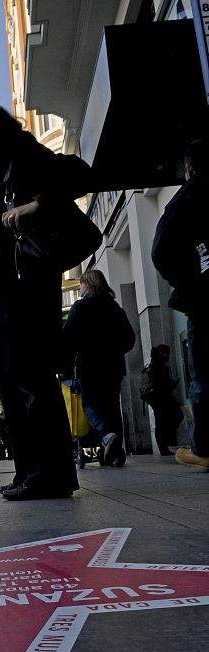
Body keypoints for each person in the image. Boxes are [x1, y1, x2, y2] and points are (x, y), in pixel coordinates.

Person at [0, 104, 95, 499]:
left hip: (31, 288)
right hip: (0, 295)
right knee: (7, 381)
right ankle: (28, 471)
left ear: (3, 130)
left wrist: (38, 204)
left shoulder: (27, 157)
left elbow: (80, 176)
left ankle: (54, 474)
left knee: (33, 378)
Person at [152, 139, 209, 471]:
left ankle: (204, 447)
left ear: (189, 168)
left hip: (205, 295)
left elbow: (162, 251)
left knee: (205, 373)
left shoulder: (188, 198)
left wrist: (188, 282)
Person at [63, 270, 136, 466]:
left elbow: (68, 339)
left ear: (89, 285)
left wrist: (67, 362)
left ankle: (106, 436)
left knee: (90, 404)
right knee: (112, 407)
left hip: (90, 365)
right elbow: (129, 339)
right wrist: (114, 350)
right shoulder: (114, 308)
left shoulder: (80, 307)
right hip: (114, 366)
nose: (80, 288)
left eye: (81, 285)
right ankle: (115, 452)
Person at [140, 345, 184, 456]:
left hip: (159, 399)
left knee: (165, 422)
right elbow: (162, 384)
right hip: (160, 399)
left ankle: (166, 448)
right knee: (164, 422)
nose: (166, 355)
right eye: (164, 353)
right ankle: (165, 448)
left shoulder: (158, 366)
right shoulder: (159, 367)